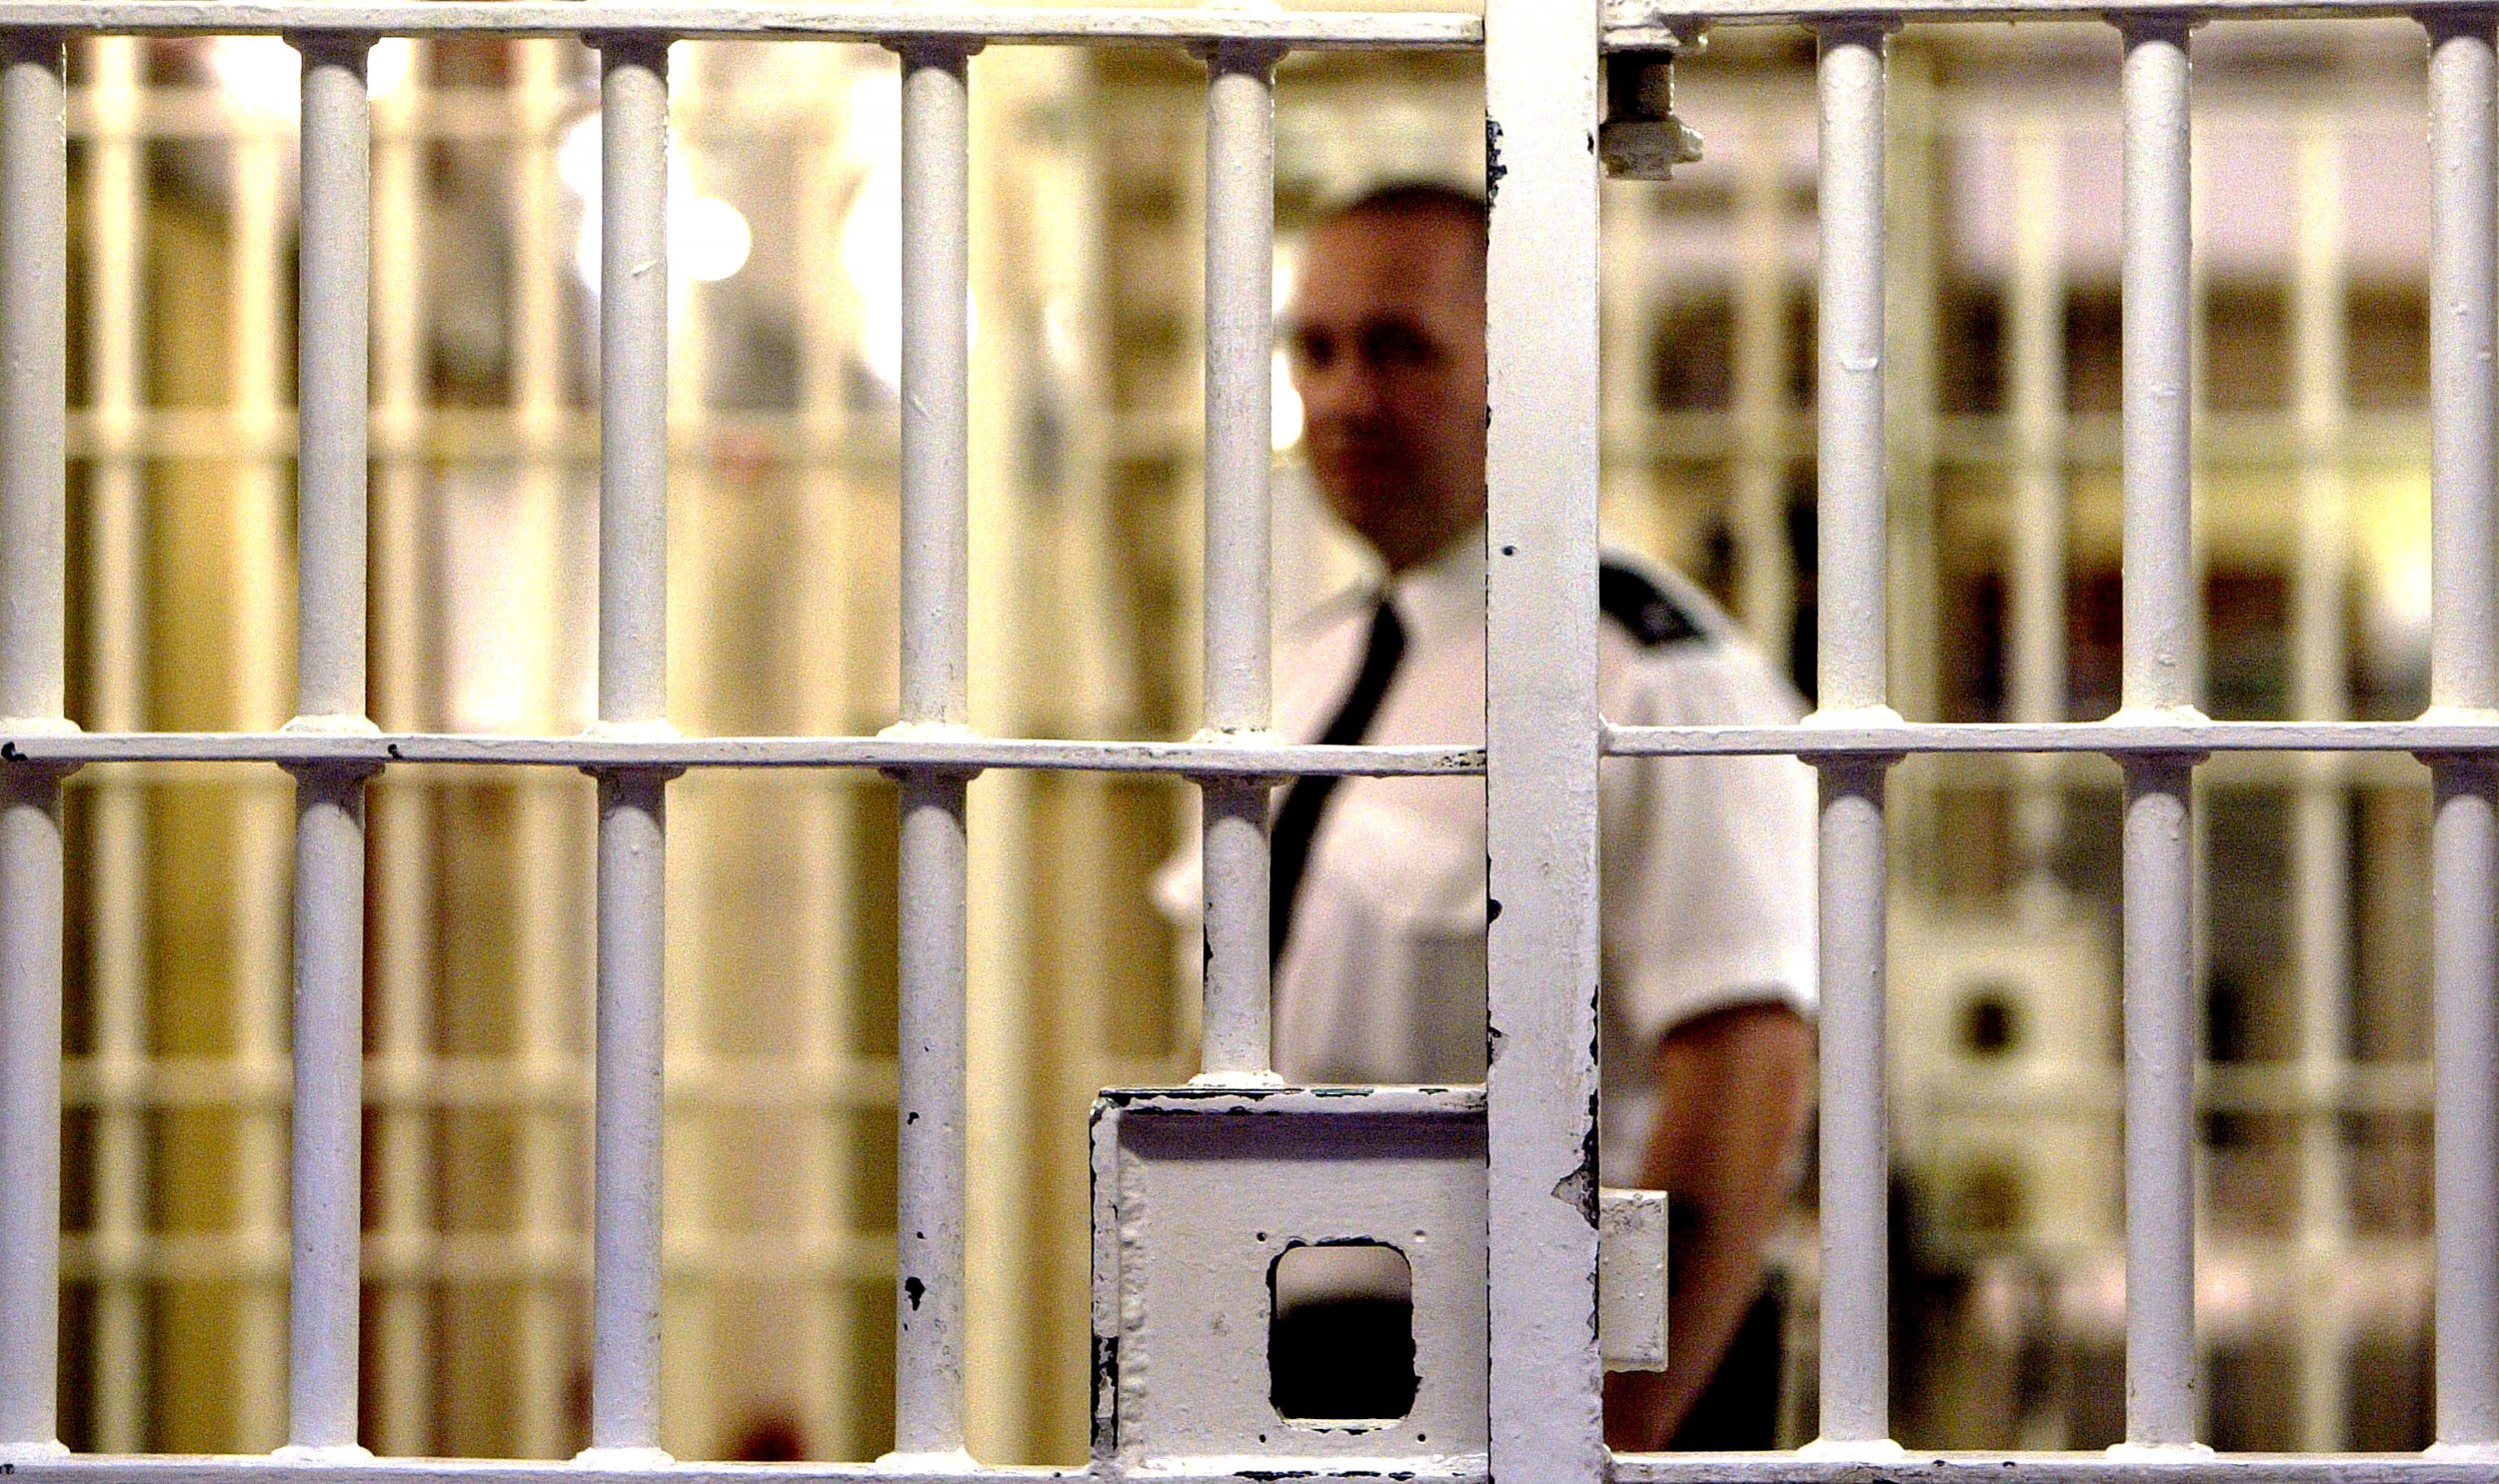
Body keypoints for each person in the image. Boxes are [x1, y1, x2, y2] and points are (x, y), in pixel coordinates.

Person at [1157, 182, 1816, 1450]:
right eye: (1318, 349)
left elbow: (1743, 1066)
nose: (1346, 397)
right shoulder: (1302, 674)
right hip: (1296, 1348)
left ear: (1523, 368)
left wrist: (1605, 1424)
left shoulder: (1645, 674)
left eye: (1400, 349)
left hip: (1540, 1361)